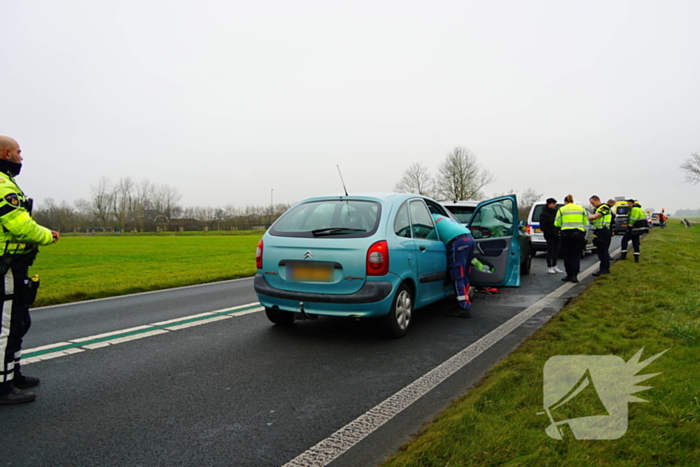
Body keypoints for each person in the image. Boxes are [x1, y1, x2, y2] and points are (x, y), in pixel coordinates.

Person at [0, 136, 59, 405]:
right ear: (5, 152)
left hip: (15, 264)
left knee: (19, 322)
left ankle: (13, 374)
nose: (21, 157)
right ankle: (2, 387)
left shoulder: (8, 182)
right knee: (7, 326)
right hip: (6, 265)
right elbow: (21, 226)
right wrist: (47, 235)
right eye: (18, 152)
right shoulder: (2, 185)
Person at [430, 213, 475, 318]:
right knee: (465, 273)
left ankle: (463, 307)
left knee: (457, 274)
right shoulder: (441, 217)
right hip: (469, 238)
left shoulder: (430, 220)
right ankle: (466, 299)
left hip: (458, 242)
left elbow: (431, 237)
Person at [553, 194, 588, 283]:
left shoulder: (562, 209)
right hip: (579, 234)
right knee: (576, 255)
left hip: (566, 235)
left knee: (567, 255)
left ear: (565, 202)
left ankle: (569, 274)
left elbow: (557, 223)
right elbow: (585, 222)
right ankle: (574, 276)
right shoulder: (581, 208)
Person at [588, 195, 612, 276]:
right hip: (600, 231)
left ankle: (604, 269)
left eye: (592, 202)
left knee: (602, 252)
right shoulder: (598, 208)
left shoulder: (604, 207)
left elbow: (596, 216)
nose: (592, 204)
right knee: (601, 251)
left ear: (597, 200)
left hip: (603, 231)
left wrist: (585, 218)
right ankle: (605, 268)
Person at [539, 198, 563, 274]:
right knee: (550, 250)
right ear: (549, 204)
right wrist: (551, 232)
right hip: (549, 235)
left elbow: (558, 222)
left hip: (557, 234)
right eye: (553, 204)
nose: (555, 205)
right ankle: (549, 266)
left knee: (557, 250)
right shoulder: (543, 213)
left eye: (555, 204)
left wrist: (558, 230)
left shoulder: (556, 212)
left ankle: (555, 265)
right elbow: (543, 226)